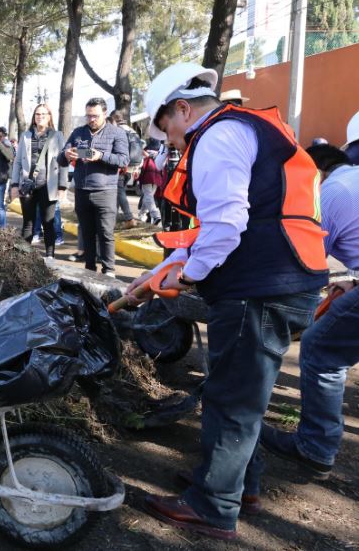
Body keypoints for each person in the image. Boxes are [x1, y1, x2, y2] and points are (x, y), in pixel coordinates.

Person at [128, 62, 327, 541]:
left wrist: (189, 278)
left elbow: (225, 226)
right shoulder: (245, 128)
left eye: (167, 128)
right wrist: (159, 272)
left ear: (182, 108)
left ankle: (214, 505)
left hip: (260, 286)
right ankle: (239, 484)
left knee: (232, 397)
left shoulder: (217, 137)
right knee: (240, 387)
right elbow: (209, 230)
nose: (170, 141)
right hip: (281, 278)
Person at [259, 145, 359, 481]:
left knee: (320, 349)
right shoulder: (354, 180)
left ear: (317, 170)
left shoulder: (330, 191)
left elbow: (305, 260)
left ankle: (315, 447)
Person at [62, 98, 129, 275]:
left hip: (106, 191)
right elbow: (61, 158)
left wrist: (100, 155)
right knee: (87, 234)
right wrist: (67, 154)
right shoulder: (78, 132)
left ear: (105, 114)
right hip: (82, 191)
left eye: (95, 116)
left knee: (106, 234)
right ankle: (89, 270)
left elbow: (123, 160)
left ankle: (109, 271)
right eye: (88, 116)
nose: (91, 119)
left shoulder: (117, 133)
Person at [12, 105, 66, 257]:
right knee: (28, 224)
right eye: (37, 114)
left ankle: (50, 256)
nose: (40, 116)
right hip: (28, 185)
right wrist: (14, 184)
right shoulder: (26, 135)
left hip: (48, 186)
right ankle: (25, 258)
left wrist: (62, 186)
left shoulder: (57, 135)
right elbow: (17, 162)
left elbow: (63, 162)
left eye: (43, 114)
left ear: (49, 116)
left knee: (48, 223)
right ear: (34, 117)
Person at [110, 110, 140, 229]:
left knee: (119, 191)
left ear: (114, 118)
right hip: (132, 166)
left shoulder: (118, 130)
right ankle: (113, 219)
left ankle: (129, 218)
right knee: (118, 192)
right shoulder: (132, 130)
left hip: (123, 165)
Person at [136, 145, 163, 225]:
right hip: (156, 177)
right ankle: (142, 214)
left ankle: (155, 215)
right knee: (148, 196)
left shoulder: (144, 154)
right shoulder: (159, 154)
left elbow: (140, 164)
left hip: (147, 176)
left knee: (148, 196)